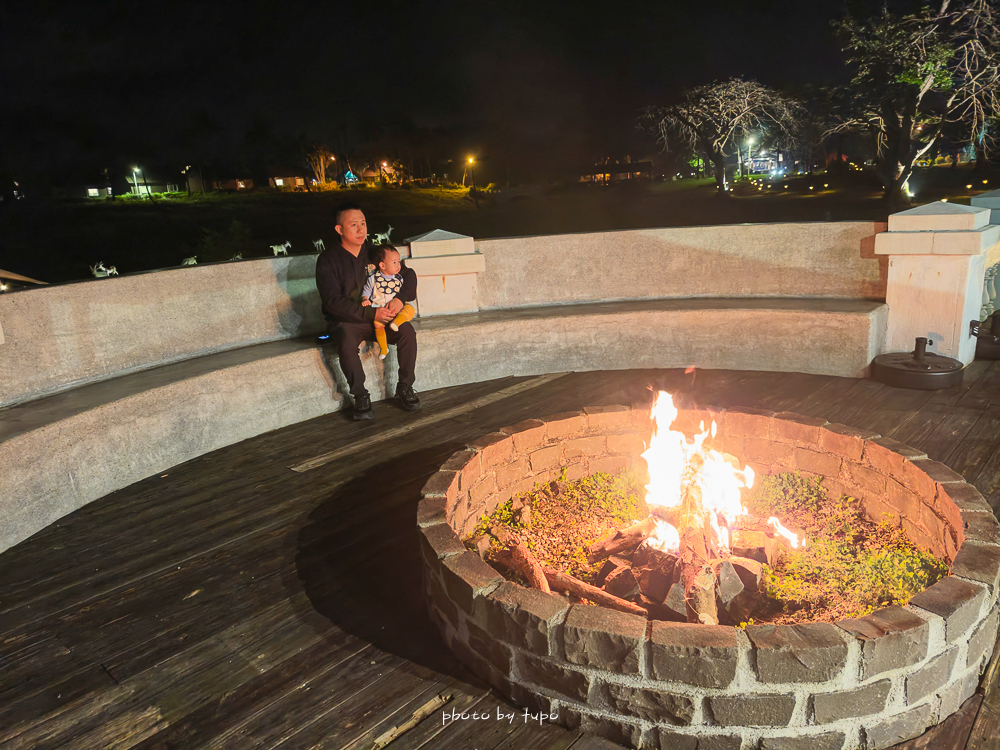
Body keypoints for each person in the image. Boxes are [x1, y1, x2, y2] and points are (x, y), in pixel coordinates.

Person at [315, 202, 420, 420]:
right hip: (348, 321)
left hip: (380, 319)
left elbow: (408, 274)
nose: (361, 229)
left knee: (407, 332)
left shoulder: (374, 253)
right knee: (345, 340)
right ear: (339, 229)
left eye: (363, 223)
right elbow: (332, 302)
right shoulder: (328, 260)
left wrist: (400, 299)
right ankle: (360, 395)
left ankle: (405, 387)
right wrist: (372, 314)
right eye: (354, 225)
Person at [361, 244, 417, 361]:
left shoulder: (398, 276)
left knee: (408, 323)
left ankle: (396, 322)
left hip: (394, 311)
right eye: (394, 262)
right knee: (377, 326)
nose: (398, 265)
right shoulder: (373, 278)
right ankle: (384, 348)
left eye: (399, 262)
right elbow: (366, 289)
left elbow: (409, 276)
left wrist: (400, 299)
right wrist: (366, 301)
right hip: (374, 310)